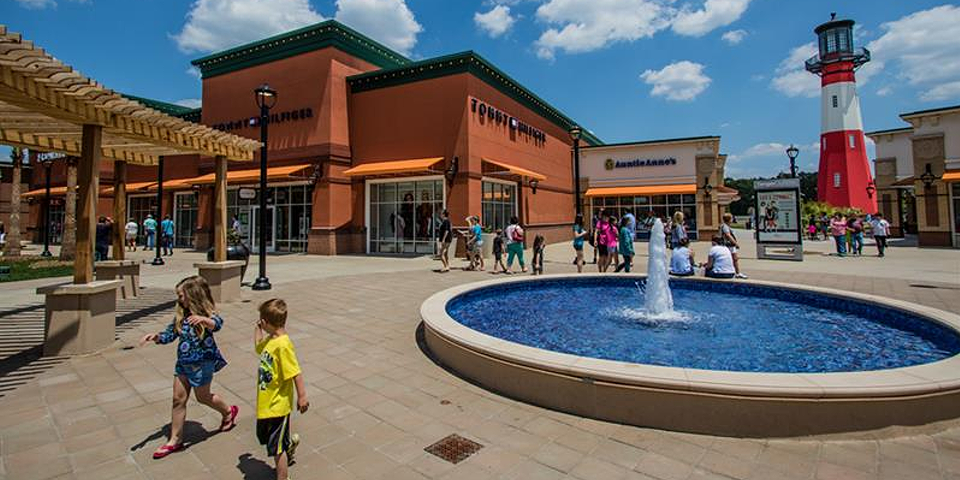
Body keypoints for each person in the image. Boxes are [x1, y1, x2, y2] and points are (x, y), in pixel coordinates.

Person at [139, 276, 238, 459]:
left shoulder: (206, 314)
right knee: (178, 399)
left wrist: (204, 320)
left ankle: (227, 411)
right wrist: (157, 337)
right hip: (183, 363)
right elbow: (170, 334)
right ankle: (175, 440)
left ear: (193, 295)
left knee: (203, 397)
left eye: (181, 295)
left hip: (202, 362)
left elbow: (217, 324)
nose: (179, 299)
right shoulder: (181, 316)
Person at [255, 298, 309, 480]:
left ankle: (282, 477)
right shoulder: (271, 339)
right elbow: (258, 348)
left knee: (276, 449)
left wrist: (302, 396)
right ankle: (289, 444)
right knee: (266, 439)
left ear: (267, 322)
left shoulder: (284, 345)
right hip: (265, 404)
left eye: (261, 320)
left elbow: (295, 373)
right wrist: (258, 330)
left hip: (278, 406)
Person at [719, 213, 747, 279]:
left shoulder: (725, 226)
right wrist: (735, 243)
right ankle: (737, 273)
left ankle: (736, 272)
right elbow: (728, 235)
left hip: (729, 245)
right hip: (729, 245)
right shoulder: (725, 227)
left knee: (734, 259)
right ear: (729, 219)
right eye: (731, 218)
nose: (732, 219)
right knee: (734, 259)